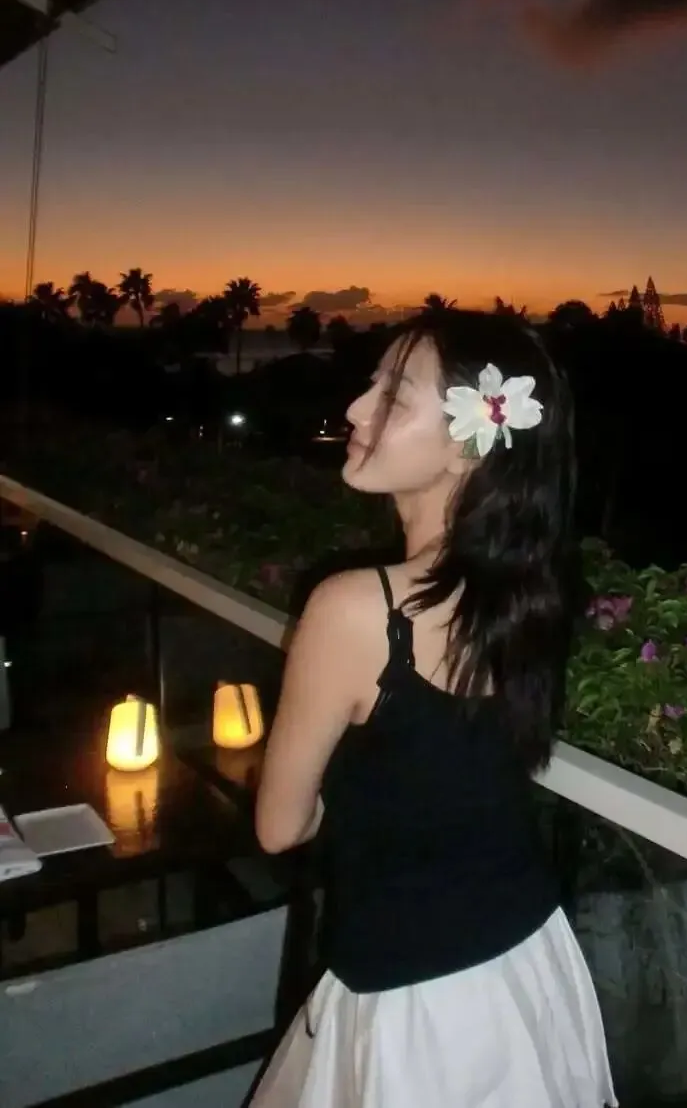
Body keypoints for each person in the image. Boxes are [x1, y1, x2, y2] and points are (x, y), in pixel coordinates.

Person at [250, 308, 616, 1107]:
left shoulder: (356, 607)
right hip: (527, 965)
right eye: (372, 384)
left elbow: (281, 826)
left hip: (415, 1000)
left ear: (466, 444)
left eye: (394, 394)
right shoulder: (531, 593)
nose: (357, 408)